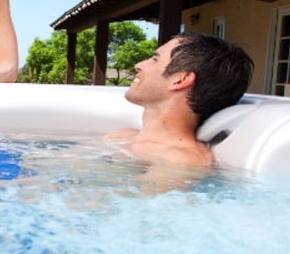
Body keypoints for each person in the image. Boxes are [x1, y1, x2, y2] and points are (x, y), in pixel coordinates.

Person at [106, 32, 253, 168]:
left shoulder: (179, 160)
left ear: (180, 80)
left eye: (155, 59)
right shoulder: (122, 135)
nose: (138, 65)